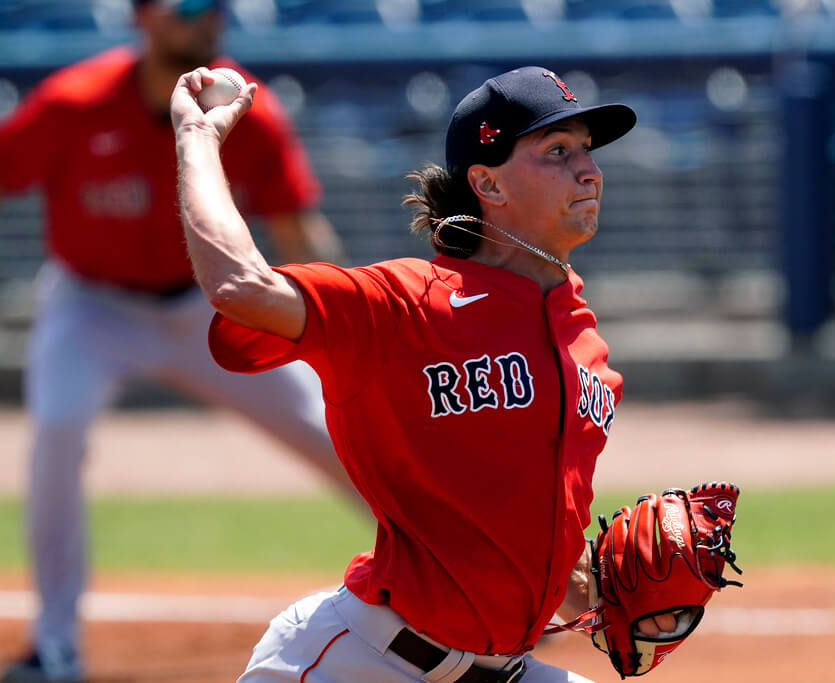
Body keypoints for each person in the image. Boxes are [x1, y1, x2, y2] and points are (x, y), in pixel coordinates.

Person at [173, 64, 673, 682]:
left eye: (588, 152)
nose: (589, 170)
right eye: (557, 151)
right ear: (488, 183)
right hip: (362, 662)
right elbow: (239, 286)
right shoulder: (403, 302)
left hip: (510, 667)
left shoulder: (584, 340)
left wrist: (603, 588)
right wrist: (196, 139)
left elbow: (524, 537)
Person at [0, 1, 352, 681]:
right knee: (57, 431)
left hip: (208, 306)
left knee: (342, 432)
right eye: (189, 4)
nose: (209, 18)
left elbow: (297, 227)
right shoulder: (77, 100)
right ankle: (55, 647)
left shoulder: (246, 108)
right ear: (142, 16)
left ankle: (475, 588)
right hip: (91, 306)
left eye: (218, 7)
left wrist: (340, 322)